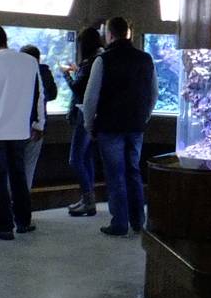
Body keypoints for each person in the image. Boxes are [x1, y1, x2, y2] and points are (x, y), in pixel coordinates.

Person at [82, 16, 156, 237]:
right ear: (128, 33)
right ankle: (138, 220)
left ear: (110, 34)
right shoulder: (145, 59)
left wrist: (88, 123)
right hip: (135, 126)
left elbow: (91, 96)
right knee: (133, 171)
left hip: (110, 126)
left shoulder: (103, 60)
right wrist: (144, 117)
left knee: (116, 174)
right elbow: (154, 93)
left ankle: (119, 222)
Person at [0, 25, 43, 240]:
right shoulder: (30, 62)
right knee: (19, 177)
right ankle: (24, 222)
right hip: (20, 130)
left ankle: (4, 227)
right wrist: (39, 124)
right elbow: (39, 95)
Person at [61, 26, 103, 216]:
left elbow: (78, 89)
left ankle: (88, 200)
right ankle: (88, 198)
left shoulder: (91, 62)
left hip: (83, 115)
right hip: (93, 115)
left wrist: (66, 74)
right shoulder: (97, 60)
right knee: (86, 157)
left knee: (75, 159)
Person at [20, 43, 59, 193]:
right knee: (29, 165)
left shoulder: (20, 73)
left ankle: (10, 202)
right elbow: (53, 94)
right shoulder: (44, 71)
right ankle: (23, 202)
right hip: (38, 125)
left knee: (14, 165)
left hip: (20, 124)